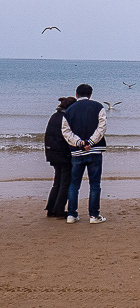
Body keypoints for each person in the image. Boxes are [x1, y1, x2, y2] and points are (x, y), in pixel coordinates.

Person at [61, 83, 107, 224]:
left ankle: (72, 214)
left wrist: (79, 142)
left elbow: (66, 131)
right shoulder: (98, 107)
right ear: (90, 95)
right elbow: (102, 127)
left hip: (77, 151)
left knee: (74, 184)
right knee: (94, 184)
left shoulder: (69, 110)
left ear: (76, 95)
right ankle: (94, 215)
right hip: (94, 150)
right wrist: (91, 142)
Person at [44, 96, 77, 218]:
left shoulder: (55, 116)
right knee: (65, 182)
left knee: (57, 181)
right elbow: (68, 137)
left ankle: (51, 209)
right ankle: (59, 210)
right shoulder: (66, 118)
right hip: (63, 153)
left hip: (51, 152)